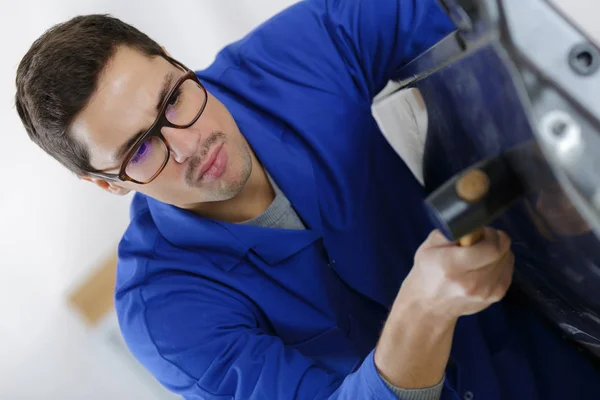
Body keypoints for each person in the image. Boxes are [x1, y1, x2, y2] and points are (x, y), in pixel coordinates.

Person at [15, 0, 599, 399]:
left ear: (176, 61)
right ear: (107, 184)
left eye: (173, 98)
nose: (190, 144)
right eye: (142, 149)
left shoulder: (297, 58)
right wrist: (423, 311)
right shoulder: (165, 314)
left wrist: (541, 157)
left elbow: (486, 16)